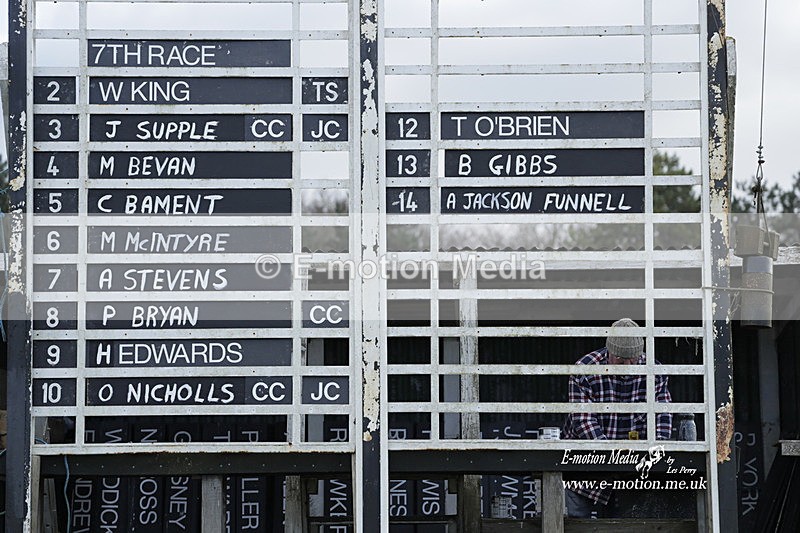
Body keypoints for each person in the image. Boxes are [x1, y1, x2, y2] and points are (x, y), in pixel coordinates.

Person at [562, 318, 672, 518]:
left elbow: (662, 414)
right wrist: (610, 454)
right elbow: (582, 418)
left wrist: (656, 451)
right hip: (585, 466)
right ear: (609, 351)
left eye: (632, 358)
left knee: (625, 526)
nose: (627, 364)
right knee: (576, 526)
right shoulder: (584, 369)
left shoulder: (654, 371)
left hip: (630, 472)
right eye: (620, 358)